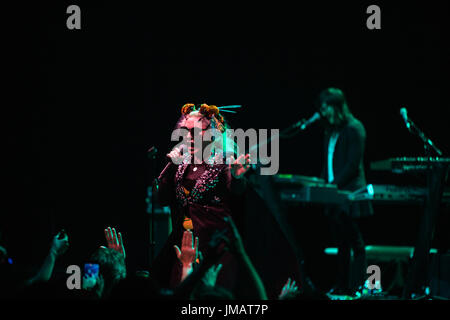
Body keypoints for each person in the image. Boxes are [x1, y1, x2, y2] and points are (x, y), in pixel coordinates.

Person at [151, 103, 251, 291]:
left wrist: (237, 177)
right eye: (185, 131)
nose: (187, 137)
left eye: (194, 132)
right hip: (185, 251)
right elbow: (162, 200)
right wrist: (171, 166)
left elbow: (236, 194)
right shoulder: (182, 164)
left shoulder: (223, 162)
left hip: (214, 249)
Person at [317, 88, 373, 295]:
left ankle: (358, 284)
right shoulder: (330, 131)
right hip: (335, 193)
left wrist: (332, 186)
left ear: (337, 106)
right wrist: (321, 185)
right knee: (340, 242)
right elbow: (328, 163)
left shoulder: (354, 128)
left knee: (355, 242)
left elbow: (352, 165)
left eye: (326, 107)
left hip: (350, 193)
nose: (323, 113)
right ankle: (342, 284)